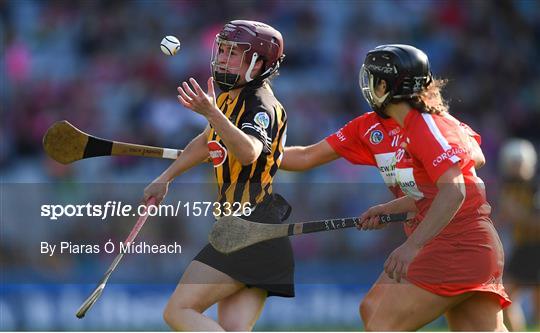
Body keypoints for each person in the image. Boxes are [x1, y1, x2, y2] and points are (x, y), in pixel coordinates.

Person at [143, 20, 294, 331]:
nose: (222, 58)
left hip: (250, 227)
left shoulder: (260, 104)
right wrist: (167, 177)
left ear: (258, 62)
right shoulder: (230, 97)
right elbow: (205, 142)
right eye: (222, 50)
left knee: (178, 311)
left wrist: (212, 112)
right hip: (253, 230)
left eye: (233, 53)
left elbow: (249, 151)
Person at [353, 44, 510, 331]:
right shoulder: (417, 126)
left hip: (457, 246)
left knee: (381, 323)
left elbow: (455, 191)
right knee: (372, 309)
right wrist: (387, 209)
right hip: (472, 246)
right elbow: (433, 193)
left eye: (374, 79)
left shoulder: (424, 126)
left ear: (386, 85)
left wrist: (412, 246)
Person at [498, 139, 539, 331]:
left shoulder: (535, 187)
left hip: (535, 248)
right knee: (504, 298)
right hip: (523, 248)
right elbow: (502, 217)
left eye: (518, 163)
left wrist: (517, 214)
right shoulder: (509, 187)